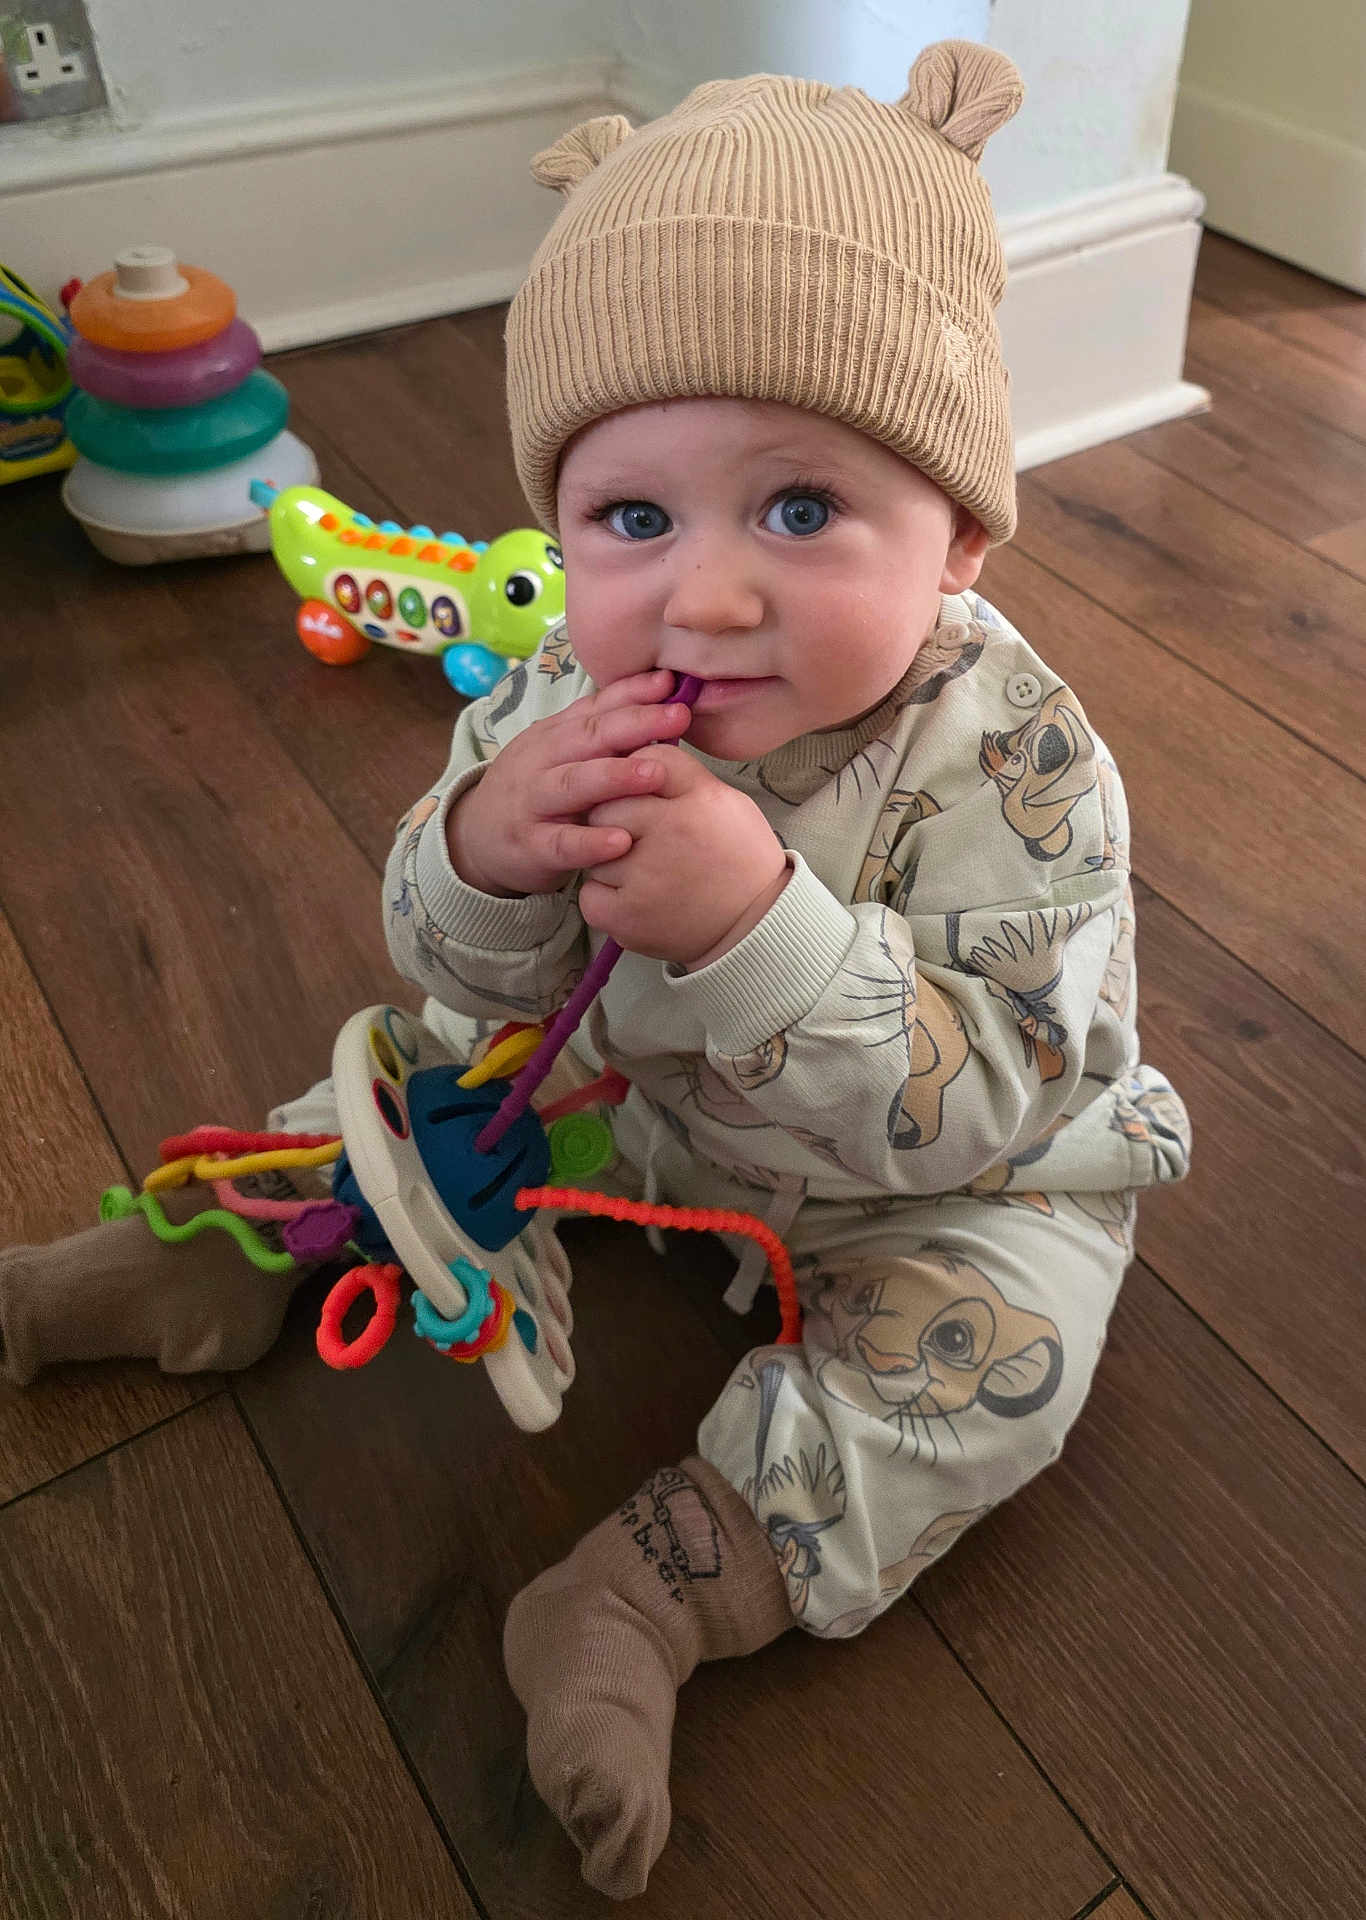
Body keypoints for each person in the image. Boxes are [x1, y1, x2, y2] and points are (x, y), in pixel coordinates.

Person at [0, 41, 1191, 1900]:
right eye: (633, 520)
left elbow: (997, 1092)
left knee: (1009, 1350)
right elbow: (453, 965)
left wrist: (754, 930)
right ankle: (230, 1245)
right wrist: (486, 848)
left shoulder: (1020, 761)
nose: (702, 596)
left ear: (957, 530)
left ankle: (651, 1590)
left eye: (799, 509)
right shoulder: (572, 681)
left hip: (930, 1178)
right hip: (628, 1094)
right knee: (428, 1071)